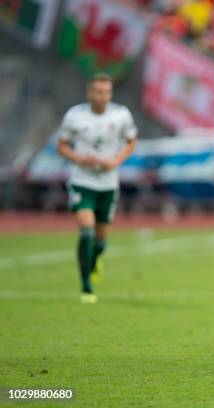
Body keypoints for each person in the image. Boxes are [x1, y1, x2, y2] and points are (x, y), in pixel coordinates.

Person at [56, 73, 137, 304]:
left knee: (100, 242)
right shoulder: (75, 116)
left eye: (106, 92)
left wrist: (116, 161)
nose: (102, 97)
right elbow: (61, 146)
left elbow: (132, 141)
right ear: (89, 92)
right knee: (86, 229)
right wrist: (79, 158)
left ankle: (94, 260)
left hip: (108, 184)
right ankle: (86, 286)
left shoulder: (121, 115)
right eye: (98, 92)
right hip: (82, 181)